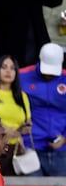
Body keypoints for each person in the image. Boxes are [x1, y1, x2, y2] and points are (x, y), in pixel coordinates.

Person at [21, 43, 66, 175]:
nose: (49, 75)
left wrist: (65, 138)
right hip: (30, 148)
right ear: (39, 59)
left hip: (62, 152)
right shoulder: (21, 76)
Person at [0, 55, 34, 170]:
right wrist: (4, 130)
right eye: (4, 67)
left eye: (12, 68)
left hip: (16, 150)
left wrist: (20, 130)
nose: (8, 71)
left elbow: (28, 123)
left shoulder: (22, 96)